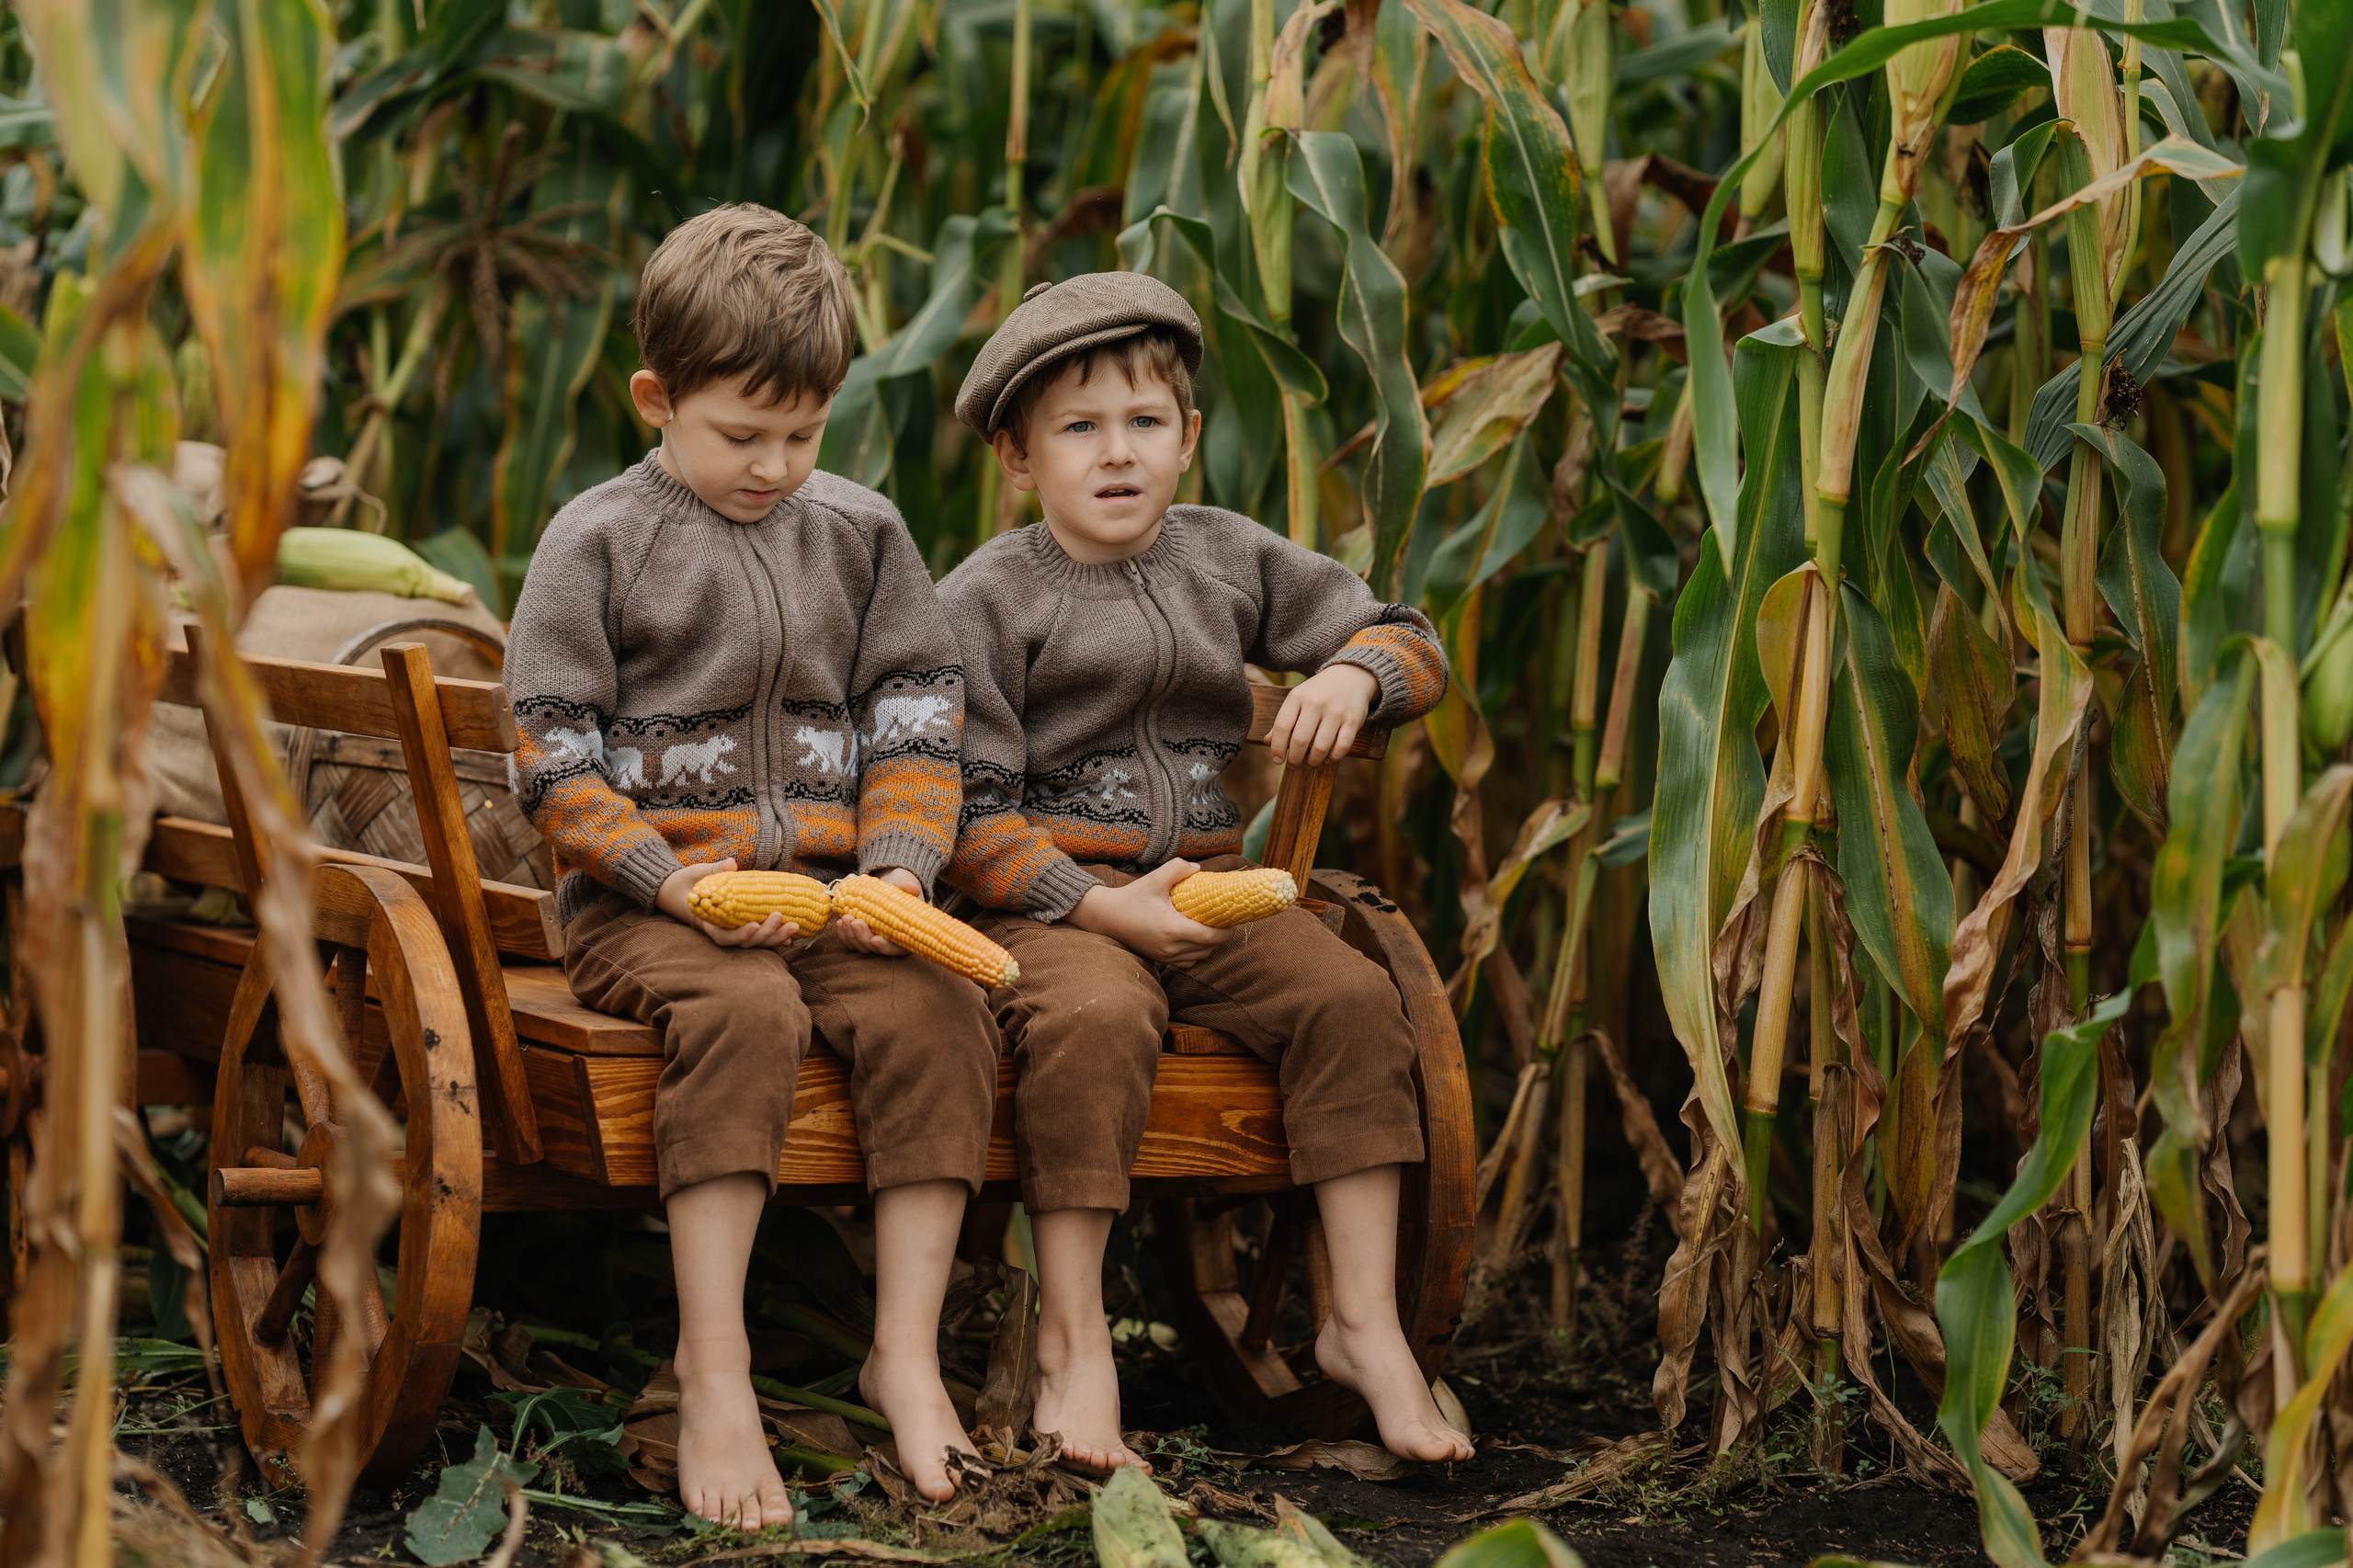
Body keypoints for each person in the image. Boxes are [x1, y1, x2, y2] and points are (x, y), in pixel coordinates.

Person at [505, 204, 994, 1530]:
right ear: (658, 399)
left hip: (834, 891)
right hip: (642, 906)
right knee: (744, 1008)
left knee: (941, 1010)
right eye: (741, 435)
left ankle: (904, 1346)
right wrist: (675, 883)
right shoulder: (598, 542)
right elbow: (552, 758)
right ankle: (712, 1361)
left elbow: (916, 712)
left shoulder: (864, 536)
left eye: (804, 433)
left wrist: (897, 866)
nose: (776, 465)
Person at [938, 272, 1474, 1474]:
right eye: (1078, 428)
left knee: (1348, 1001)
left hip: (1209, 888)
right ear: (1019, 457)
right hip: (1053, 903)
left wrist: (1350, 677)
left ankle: (1361, 1322)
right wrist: (1089, 903)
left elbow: (1407, 635)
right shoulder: (985, 598)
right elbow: (963, 809)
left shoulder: (1225, 555)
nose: (1115, 453)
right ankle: (1078, 1338)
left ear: (1187, 439)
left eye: (1143, 424)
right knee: (1092, 1016)